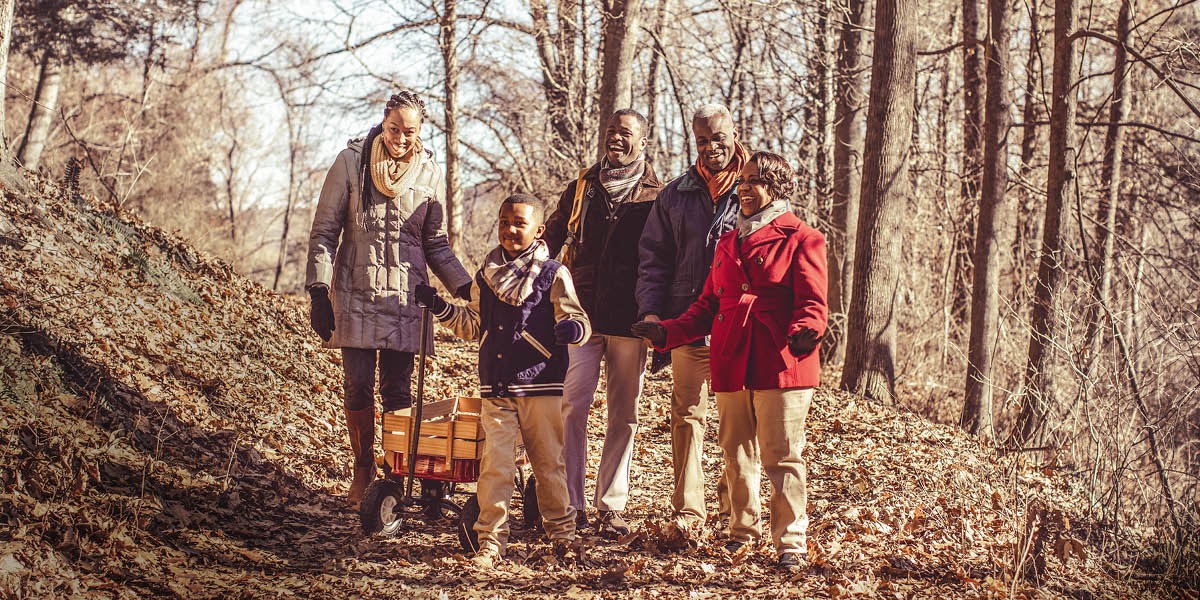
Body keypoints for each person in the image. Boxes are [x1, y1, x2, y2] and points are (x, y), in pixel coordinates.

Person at [631, 151, 827, 571]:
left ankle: (790, 540)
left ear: (775, 187)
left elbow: (813, 302)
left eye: (753, 180)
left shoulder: (802, 237)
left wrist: (806, 331)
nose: (743, 187)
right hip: (731, 357)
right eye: (742, 180)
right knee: (736, 452)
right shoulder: (727, 241)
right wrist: (668, 331)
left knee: (782, 454)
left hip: (780, 360)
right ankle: (742, 530)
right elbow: (706, 306)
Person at [305, 90, 471, 506]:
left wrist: (467, 288)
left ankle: (395, 475)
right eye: (394, 129)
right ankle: (363, 465)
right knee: (357, 385)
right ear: (383, 121)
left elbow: (436, 243)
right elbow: (325, 232)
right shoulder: (351, 163)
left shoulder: (429, 171)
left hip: (406, 298)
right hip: (356, 291)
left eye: (410, 131)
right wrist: (318, 290)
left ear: (420, 131)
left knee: (398, 392)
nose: (400, 138)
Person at [415, 194, 590, 567]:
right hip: (496, 386)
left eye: (520, 223)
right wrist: (439, 307)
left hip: (540, 385)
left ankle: (563, 536)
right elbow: (473, 324)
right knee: (496, 466)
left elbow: (578, 319)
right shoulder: (487, 274)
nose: (510, 229)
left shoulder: (553, 273)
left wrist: (571, 329)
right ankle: (491, 541)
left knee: (548, 465)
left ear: (539, 230)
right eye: (504, 221)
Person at [543, 108, 662, 538]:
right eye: (611, 131)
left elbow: (661, 259)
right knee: (573, 405)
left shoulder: (656, 195)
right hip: (583, 316)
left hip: (631, 321)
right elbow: (552, 238)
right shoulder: (581, 188)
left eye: (626, 133)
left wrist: (659, 319)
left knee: (623, 414)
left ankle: (611, 504)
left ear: (642, 143)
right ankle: (571, 503)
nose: (616, 138)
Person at [636, 103, 748, 534]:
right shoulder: (675, 194)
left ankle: (732, 508)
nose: (711, 147)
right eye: (702, 140)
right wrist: (651, 311)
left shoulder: (754, 188)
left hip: (738, 327)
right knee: (687, 417)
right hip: (687, 323)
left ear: (734, 134)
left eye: (718, 138)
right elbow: (653, 259)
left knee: (738, 421)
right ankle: (688, 511)